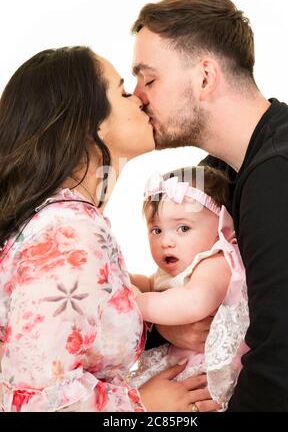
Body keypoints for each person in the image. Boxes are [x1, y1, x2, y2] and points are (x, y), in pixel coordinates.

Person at [0, 46, 210, 412]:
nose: (141, 101)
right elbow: (34, 400)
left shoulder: (58, 222)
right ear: (90, 124)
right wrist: (142, 405)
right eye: (124, 92)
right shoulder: (69, 232)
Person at [131, 0, 288, 411]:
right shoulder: (217, 175)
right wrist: (171, 326)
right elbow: (181, 286)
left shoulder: (282, 172)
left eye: (149, 79)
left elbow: (284, 363)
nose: (137, 97)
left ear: (205, 77)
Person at [130, 166, 249, 411]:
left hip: (206, 374)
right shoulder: (175, 271)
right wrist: (122, 280)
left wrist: (132, 303)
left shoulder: (217, 260)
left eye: (183, 228)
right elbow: (151, 284)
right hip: (180, 367)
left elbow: (193, 302)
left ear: (220, 228)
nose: (166, 241)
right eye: (156, 230)